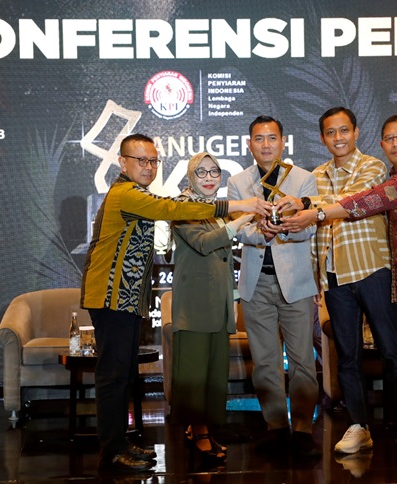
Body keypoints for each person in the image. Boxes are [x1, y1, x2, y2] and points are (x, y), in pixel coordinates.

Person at [280, 115, 397, 463]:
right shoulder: (391, 173)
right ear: (382, 143)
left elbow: (366, 199)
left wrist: (311, 208)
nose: (396, 144)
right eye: (390, 139)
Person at [80, 134, 269, 472]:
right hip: (110, 296)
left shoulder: (137, 194)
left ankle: (120, 443)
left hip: (126, 298)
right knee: (113, 375)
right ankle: (112, 451)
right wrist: (238, 206)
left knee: (124, 374)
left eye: (153, 161)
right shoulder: (126, 193)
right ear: (122, 162)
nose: (149, 167)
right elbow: (174, 209)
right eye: (141, 160)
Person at [226, 115, 321, 458]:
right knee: (265, 362)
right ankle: (276, 427)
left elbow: (312, 227)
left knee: (302, 360)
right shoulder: (238, 182)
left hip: (296, 282)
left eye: (271, 138)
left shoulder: (304, 179)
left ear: (283, 142)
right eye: (259, 138)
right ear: (249, 144)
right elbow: (238, 229)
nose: (265, 144)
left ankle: (304, 430)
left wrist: (290, 226)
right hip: (256, 282)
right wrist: (261, 233)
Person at [169, 152, 255, 464]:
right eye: (201, 172)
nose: (208, 178)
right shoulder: (182, 206)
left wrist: (232, 298)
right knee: (194, 372)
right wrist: (242, 218)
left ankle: (201, 428)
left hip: (218, 303)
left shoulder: (215, 210)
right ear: (190, 176)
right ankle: (199, 431)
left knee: (214, 372)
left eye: (214, 172)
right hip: (194, 304)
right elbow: (205, 243)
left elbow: (224, 260)